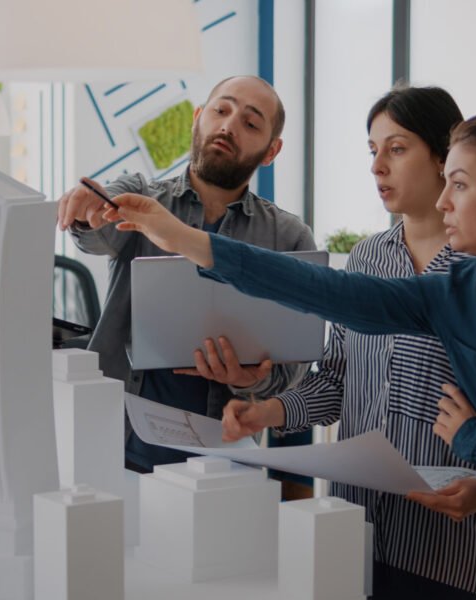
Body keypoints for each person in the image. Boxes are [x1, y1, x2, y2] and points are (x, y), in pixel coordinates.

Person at [105, 107, 476, 599]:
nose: (443, 201)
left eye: (458, 184)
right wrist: (185, 239)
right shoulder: (451, 296)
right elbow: (327, 290)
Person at [191, 85, 476, 598]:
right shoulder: (365, 259)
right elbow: (336, 379)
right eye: (373, 151)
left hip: (448, 544)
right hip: (348, 531)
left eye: (397, 149)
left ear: (447, 158)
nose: (378, 166)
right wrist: (268, 410)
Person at [57, 75, 316, 473]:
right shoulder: (141, 198)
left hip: (224, 460)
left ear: (271, 150)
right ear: (198, 118)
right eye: (221, 110)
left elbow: (291, 370)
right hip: (118, 444)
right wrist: (89, 211)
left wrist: (249, 380)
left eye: (250, 123)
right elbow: (98, 234)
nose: (228, 126)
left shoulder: (289, 238)